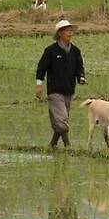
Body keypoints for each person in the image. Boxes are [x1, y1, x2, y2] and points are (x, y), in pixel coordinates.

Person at [35, 20, 86, 149]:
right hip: (55, 90)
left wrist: (81, 77)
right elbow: (41, 68)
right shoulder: (51, 51)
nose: (70, 32)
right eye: (67, 30)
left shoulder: (75, 51)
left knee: (61, 120)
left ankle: (52, 144)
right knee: (62, 120)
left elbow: (80, 67)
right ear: (59, 33)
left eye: (70, 30)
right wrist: (39, 84)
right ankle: (68, 145)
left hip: (69, 90)